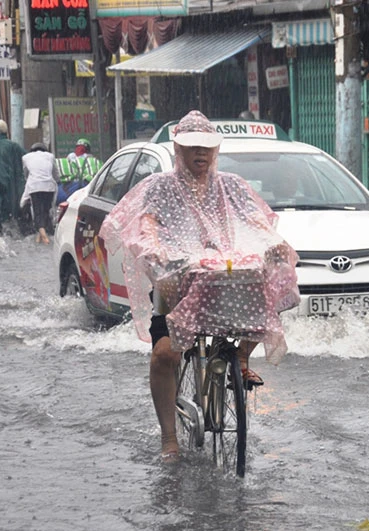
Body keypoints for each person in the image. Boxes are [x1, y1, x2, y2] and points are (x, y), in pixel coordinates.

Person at [99, 110, 299, 462]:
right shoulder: (161, 187)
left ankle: (239, 356)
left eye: (206, 147)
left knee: (268, 291)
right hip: (177, 281)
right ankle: (168, 438)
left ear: (216, 149)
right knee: (165, 356)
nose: (200, 154)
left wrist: (271, 242)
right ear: (178, 147)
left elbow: (254, 220)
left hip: (224, 278)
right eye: (192, 147)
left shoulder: (232, 186)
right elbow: (148, 226)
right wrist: (157, 252)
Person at [22, 142, 59, 244]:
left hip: (35, 187)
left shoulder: (26, 157)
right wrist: (57, 180)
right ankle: (39, 238)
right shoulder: (50, 156)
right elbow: (55, 174)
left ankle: (45, 237)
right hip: (49, 187)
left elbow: (25, 174)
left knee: (38, 212)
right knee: (46, 212)